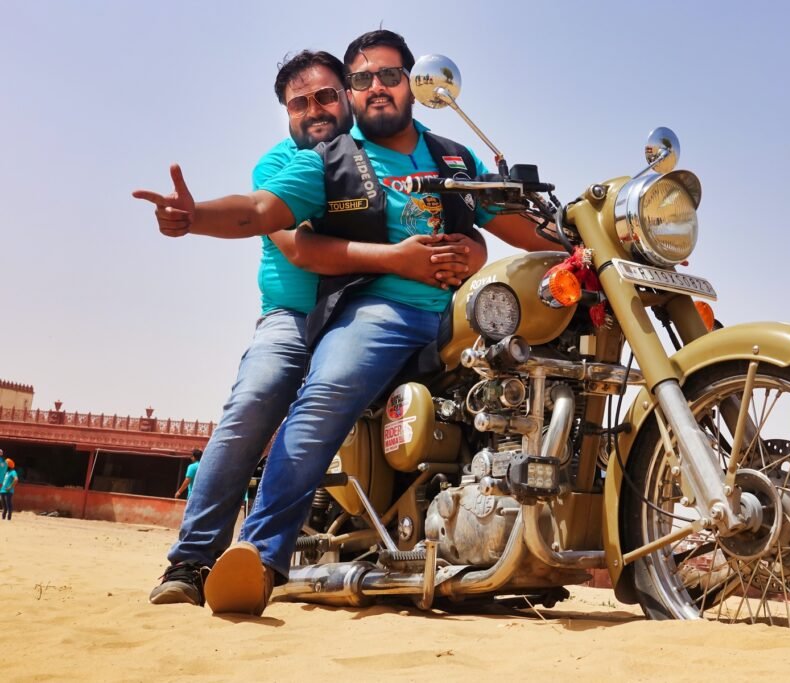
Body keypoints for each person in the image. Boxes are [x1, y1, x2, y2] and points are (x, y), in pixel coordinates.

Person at [134, 29, 555, 616]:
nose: (373, 88)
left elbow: (509, 219)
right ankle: (220, 556)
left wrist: (595, 243)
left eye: (387, 76)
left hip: (452, 311)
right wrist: (194, 215)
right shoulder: (321, 163)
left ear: (410, 83)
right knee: (268, 399)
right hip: (326, 314)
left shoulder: (455, 156)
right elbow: (274, 225)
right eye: (362, 79)